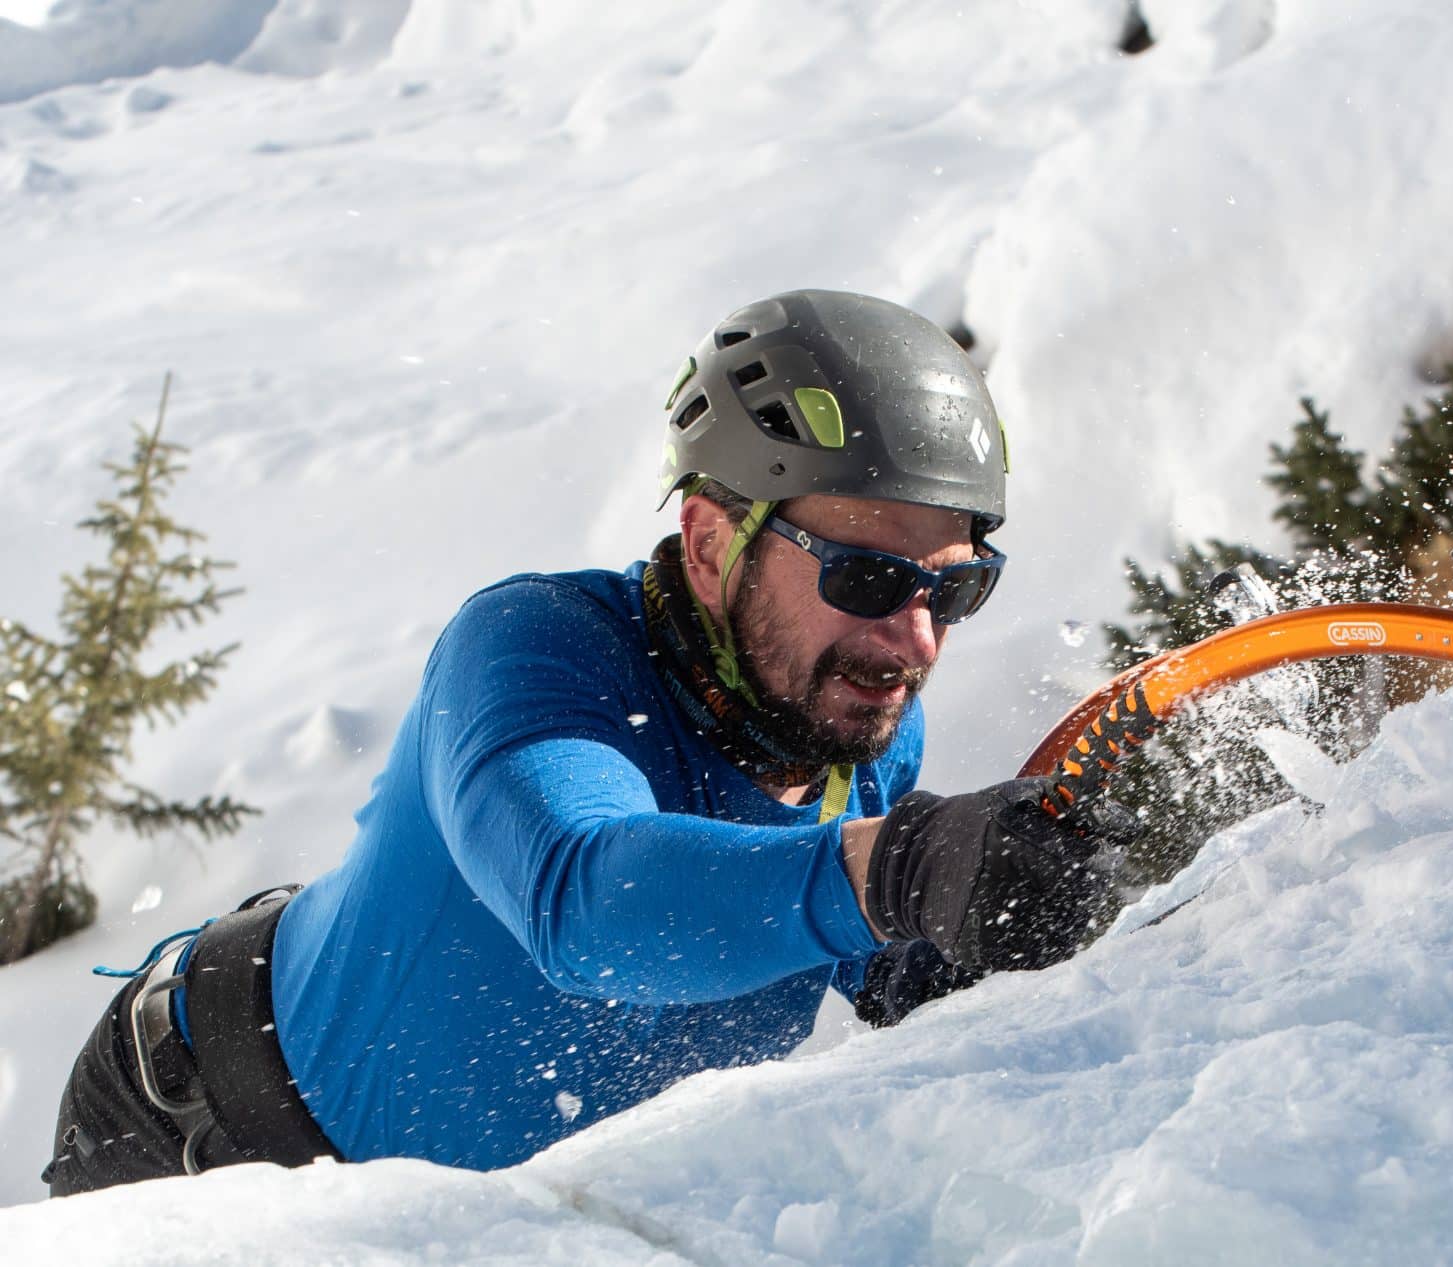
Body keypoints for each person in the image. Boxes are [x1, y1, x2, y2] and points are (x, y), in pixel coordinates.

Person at [43, 289, 1130, 1196]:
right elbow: (587, 902)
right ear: (711, 544)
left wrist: (1018, 917)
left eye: (958, 587)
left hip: (452, 1226)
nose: (915, 639)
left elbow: (857, 939)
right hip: (203, 1136)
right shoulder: (538, 649)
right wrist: (900, 865)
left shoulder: (855, 717)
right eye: (868, 578)